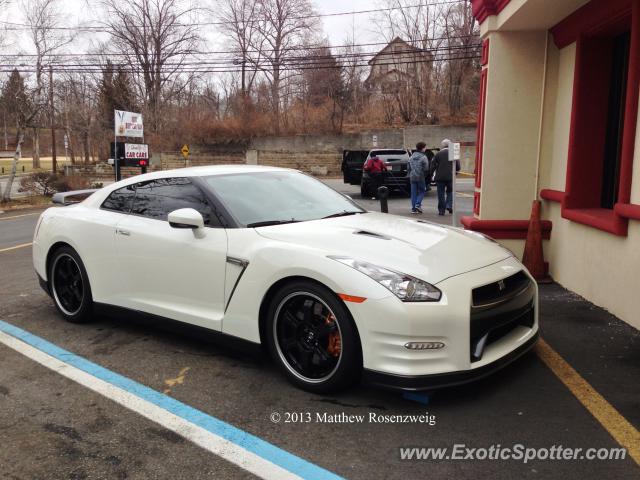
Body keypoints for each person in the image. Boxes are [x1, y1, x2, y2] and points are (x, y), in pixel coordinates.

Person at [431, 139, 460, 215]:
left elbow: (432, 166)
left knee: (441, 193)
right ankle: (449, 205)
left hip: (440, 177)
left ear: (442, 145)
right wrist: (454, 173)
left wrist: (431, 175)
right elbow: (458, 167)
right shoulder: (453, 153)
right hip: (450, 176)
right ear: (450, 145)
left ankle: (441, 210)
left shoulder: (438, 154)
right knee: (450, 192)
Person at [407, 142, 429, 214]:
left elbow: (408, 168)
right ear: (422, 148)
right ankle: (417, 204)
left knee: (413, 193)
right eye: (425, 147)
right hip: (420, 176)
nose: (425, 149)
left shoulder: (411, 157)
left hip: (412, 176)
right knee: (422, 191)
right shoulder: (423, 157)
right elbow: (426, 168)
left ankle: (413, 209)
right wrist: (424, 175)